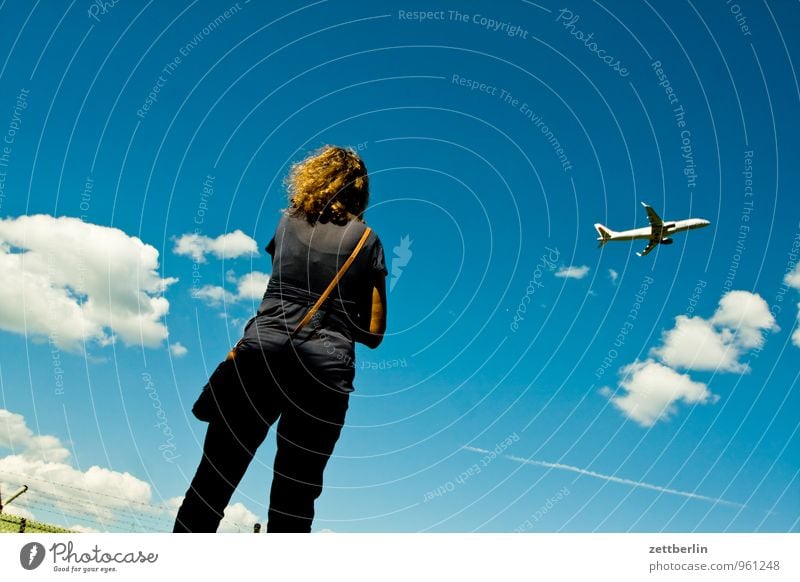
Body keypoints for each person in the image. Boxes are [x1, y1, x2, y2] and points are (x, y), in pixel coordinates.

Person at [173, 145, 387, 533]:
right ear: (359, 191)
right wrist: (337, 315)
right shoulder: (366, 241)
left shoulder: (287, 224)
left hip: (260, 357)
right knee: (294, 499)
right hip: (324, 373)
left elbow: (281, 283)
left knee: (212, 482)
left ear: (313, 177)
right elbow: (374, 333)